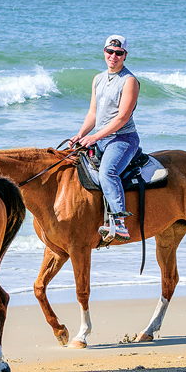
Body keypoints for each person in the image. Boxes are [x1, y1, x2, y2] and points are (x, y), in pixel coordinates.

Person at [69, 35, 141, 241]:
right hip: (100, 138)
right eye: (110, 52)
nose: (113, 56)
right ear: (104, 52)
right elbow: (93, 113)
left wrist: (94, 137)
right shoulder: (98, 79)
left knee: (107, 173)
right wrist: (81, 134)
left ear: (125, 55)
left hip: (122, 139)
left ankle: (119, 222)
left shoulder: (129, 81)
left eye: (118, 53)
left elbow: (122, 118)